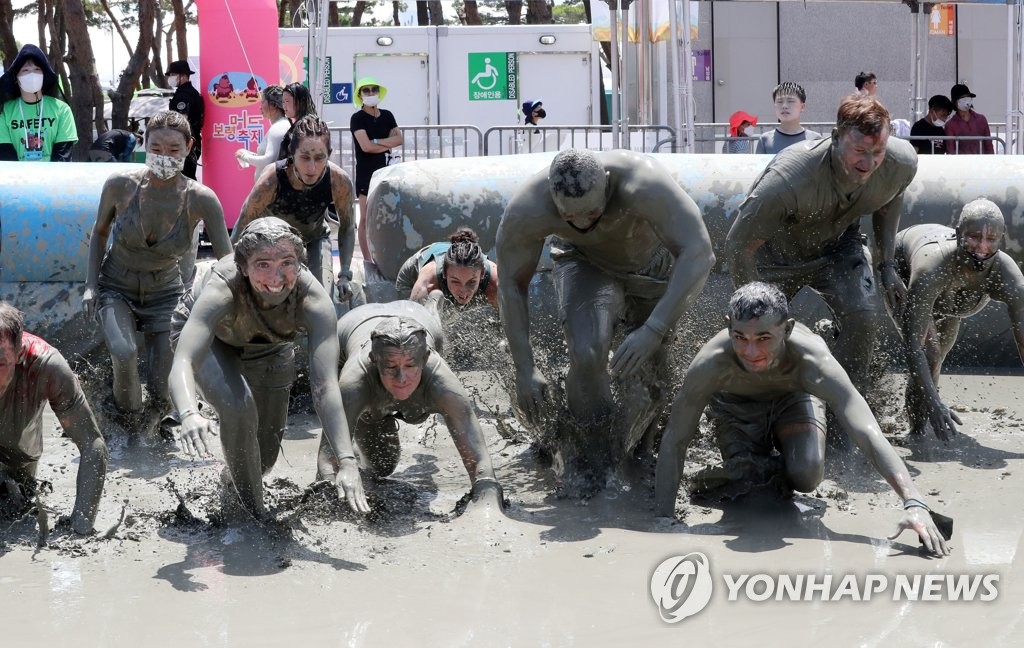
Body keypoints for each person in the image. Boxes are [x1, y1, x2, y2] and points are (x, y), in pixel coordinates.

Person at [653, 283, 951, 557]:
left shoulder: (813, 361)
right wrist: (664, 518)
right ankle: (751, 465)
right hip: (735, 407)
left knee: (806, 474)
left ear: (788, 329)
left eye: (764, 338)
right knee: (747, 481)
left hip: (794, 399)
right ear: (729, 328)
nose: (751, 351)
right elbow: (676, 437)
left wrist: (913, 502)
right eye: (740, 338)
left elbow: (867, 431)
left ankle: (768, 461)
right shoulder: (711, 362)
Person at [497, 148, 715, 484]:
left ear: (608, 185)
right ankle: (592, 454)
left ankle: (641, 449)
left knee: (652, 378)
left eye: (593, 212)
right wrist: (524, 369)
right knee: (586, 351)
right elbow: (510, 284)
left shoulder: (643, 183)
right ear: (554, 201)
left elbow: (700, 253)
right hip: (586, 263)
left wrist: (654, 329)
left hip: (651, 265)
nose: (583, 223)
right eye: (570, 218)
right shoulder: (528, 208)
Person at [168, 218, 366, 521]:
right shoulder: (224, 286)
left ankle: (233, 483)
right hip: (213, 340)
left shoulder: (313, 300)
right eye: (263, 264)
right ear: (244, 267)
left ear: (300, 263)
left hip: (269, 344)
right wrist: (187, 413)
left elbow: (325, 386)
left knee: (263, 456)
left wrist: (347, 461)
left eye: (287, 263)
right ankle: (252, 520)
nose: (276, 277)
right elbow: (183, 360)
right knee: (239, 406)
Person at [726, 95, 916, 393]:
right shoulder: (790, 177)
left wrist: (887, 264)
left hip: (839, 248)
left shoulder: (899, 163)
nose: (869, 163)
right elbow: (739, 245)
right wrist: (752, 313)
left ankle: (844, 405)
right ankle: (756, 395)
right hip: (775, 257)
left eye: (878, 151)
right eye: (859, 151)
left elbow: (891, 197)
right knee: (759, 333)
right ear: (836, 138)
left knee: (863, 318)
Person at [83, 110, 232, 428]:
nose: (164, 157)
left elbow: (227, 263)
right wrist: (91, 285)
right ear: (143, 145)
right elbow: (98, 234)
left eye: (174, 150)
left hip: (166, 293)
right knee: (123, 353)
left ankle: (156, 419)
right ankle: (130, 425)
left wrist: (225, 306)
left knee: (164, 385)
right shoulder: (120, 185)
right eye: (156, 149)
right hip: (116, 286)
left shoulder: (201, 199)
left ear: (190, 147)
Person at [316, 301, 504, 515]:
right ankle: (374, 415)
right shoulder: (355, 382)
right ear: (374, 360)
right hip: (352, 324)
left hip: (419, 316)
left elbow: (480, 463)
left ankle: (433, 303)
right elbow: (327, 463)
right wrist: (336, 489)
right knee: (381, 465)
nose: (401, 378)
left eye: (410, 366)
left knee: (416, 411)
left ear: (425, 359)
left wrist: (487, 506)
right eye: (391, 367)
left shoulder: (440, 381)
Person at [891, 199, 1024, 441]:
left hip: (950, 294)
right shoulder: (931, 266)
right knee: (929, 351)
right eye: (974, 237)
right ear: (958, 234)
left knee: (939, 354)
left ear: (1001, 239)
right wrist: (935, 403)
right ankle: (918, 430)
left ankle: (923, 410)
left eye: (991, 239)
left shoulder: (1008, 275)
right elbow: (913, 346)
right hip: (902, 266)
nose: (982, 247)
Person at [0, 302, 107, 535]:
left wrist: (81, 525)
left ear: (19, 354)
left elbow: (92, 444)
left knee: (18, 504)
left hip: (18, 456)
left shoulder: (48, 366)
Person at [233, 115, 356, 303]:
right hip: (271, 243)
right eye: (305, 157)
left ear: (329, 154)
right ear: (292, 152)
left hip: (313, 239)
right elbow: (244, 221)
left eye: (319, 158)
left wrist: (345, 273)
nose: (312, 167)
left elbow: (347, 226)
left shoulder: (338, 181)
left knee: (320, 300)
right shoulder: (271, 180)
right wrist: (227, 264)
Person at [350, 77, 403, 262]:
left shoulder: (387, 115)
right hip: (367, 173)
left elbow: (399, 140)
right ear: (360, 94)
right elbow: (365, 147)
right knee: (365, 218)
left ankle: (387, 256)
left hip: (388, 172)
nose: (371, 93)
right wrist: (385, 144)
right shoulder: (357, 118)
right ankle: (367, 260)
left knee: (390, 215)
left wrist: (375, 142)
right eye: (366, 90)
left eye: (373, 89)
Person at [0, 44, 78, 162]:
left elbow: (62, 157)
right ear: (16, 78)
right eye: (25, 70)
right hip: (16, 179)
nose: (32, 75)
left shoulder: (62, 109)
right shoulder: (4, 111)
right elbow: (6, 156)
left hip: (53, 178)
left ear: (44, 75)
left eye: (37, 70)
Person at [394, 227, 499, 309]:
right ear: (444, 272)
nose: (463, 291)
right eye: (455, 281)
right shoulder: (428, 283)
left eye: (471, 282)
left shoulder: (495, 284)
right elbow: (413, 324)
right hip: (412, 276)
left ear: (482, 274)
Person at [235, 85, 290, 180]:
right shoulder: (280, 125)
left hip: (272, 191)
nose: (260, 107)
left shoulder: (279, 127)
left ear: (273, 105)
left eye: (263, 102)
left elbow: (269, 161)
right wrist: (249, 154)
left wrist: (244, 156)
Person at [754, 82, 821, 155]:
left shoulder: (815, 139)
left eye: (790, 101)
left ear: (802, 107)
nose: (784, 106)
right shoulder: (765, 140)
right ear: (774, 106)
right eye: (780, 102)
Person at [944, 83, 994, 155]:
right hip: (962, 164)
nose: (966, 101)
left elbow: (988, 145)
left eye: (968, 97)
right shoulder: (950, 125)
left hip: (981, 163)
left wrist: (992, 161)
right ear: (955, 102)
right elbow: (950, 150)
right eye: (962, 98)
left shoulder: (981, 119)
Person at [276, 82, 316, 163]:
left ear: (300, 101)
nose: (284, 106)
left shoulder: (305, 126)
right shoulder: (306, 123)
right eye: (283, 102)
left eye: (287, 101)